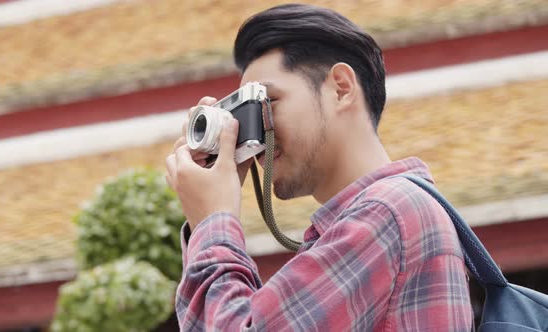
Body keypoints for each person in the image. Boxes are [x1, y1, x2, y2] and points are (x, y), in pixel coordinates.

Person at [165, 3, 473, 331]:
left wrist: (212, 222)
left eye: (266, 102)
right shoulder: (380, 215)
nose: (255, 132)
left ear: (341, 88)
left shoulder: (388, 211)